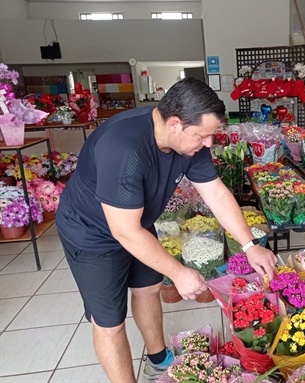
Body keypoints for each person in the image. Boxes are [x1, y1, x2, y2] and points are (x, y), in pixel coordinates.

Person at [56, 77, 277, 383]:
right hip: (92, 232)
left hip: (138, 224)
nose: (208, 144)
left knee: (148, 289)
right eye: (203, 136)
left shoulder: (188, 141)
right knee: (110, 323)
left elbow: (215, 193)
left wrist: (250, 245)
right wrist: (180, 271)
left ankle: (158, 360)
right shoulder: (123, 148)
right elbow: (125, 233)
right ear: (175, 124)